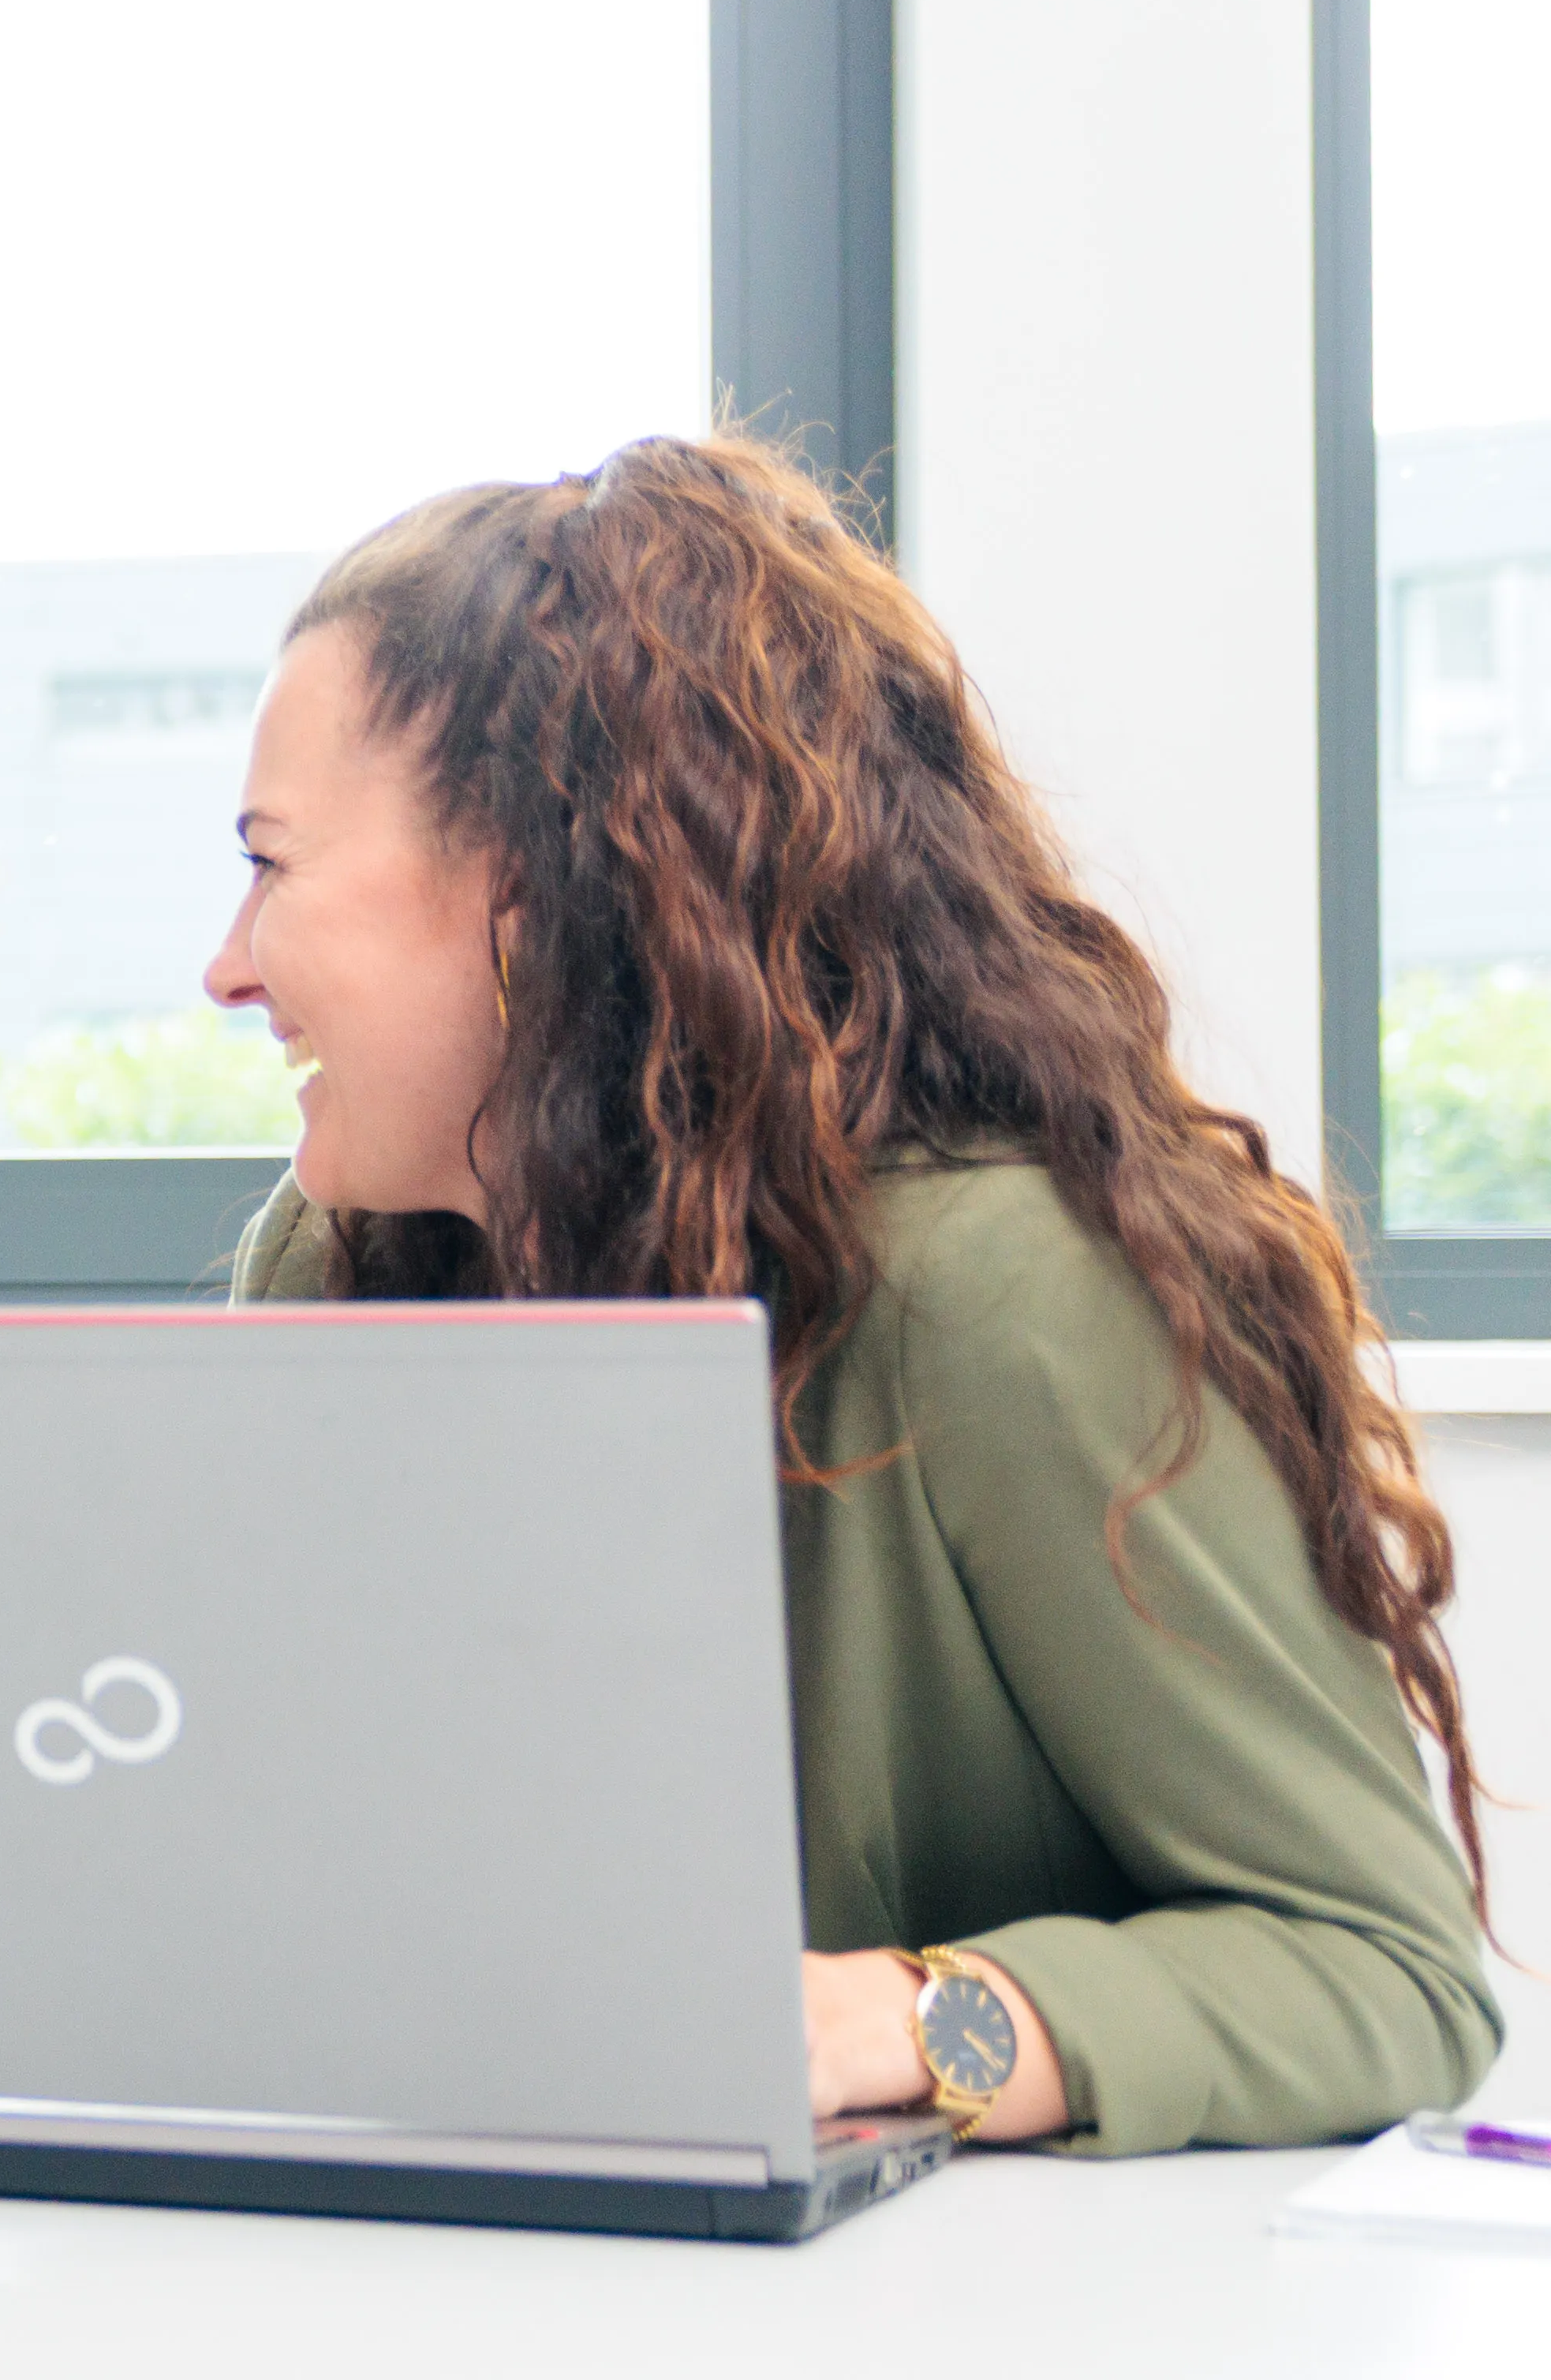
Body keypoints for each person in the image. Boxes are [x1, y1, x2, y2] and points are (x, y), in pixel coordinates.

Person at [207, 432, 1502, 2150]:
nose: (225, 967)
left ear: (525, 881)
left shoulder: (1001, 1297)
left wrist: (899, 2016)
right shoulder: (322, 1277)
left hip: (960, 2355)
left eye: (270, 864)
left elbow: (1386, 1967)